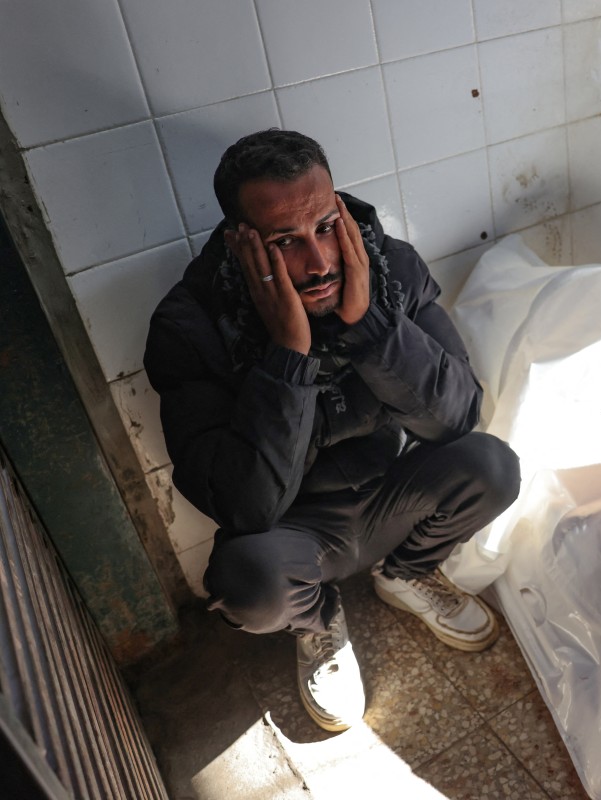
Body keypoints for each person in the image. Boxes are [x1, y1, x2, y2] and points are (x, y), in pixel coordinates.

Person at [144, 129, 520, 732]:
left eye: (323, 227)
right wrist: (289, 355)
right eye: (284, 242)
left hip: (393, 494)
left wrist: (369, 326)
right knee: (247, 583)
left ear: (340, 209)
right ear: (243, 243)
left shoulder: (389, 266)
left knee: (491, 465)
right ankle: (317, 626)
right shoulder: (189, 325)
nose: (320, 264)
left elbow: (456, 417)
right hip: (296, 528)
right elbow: (245, 506)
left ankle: (405, 573)